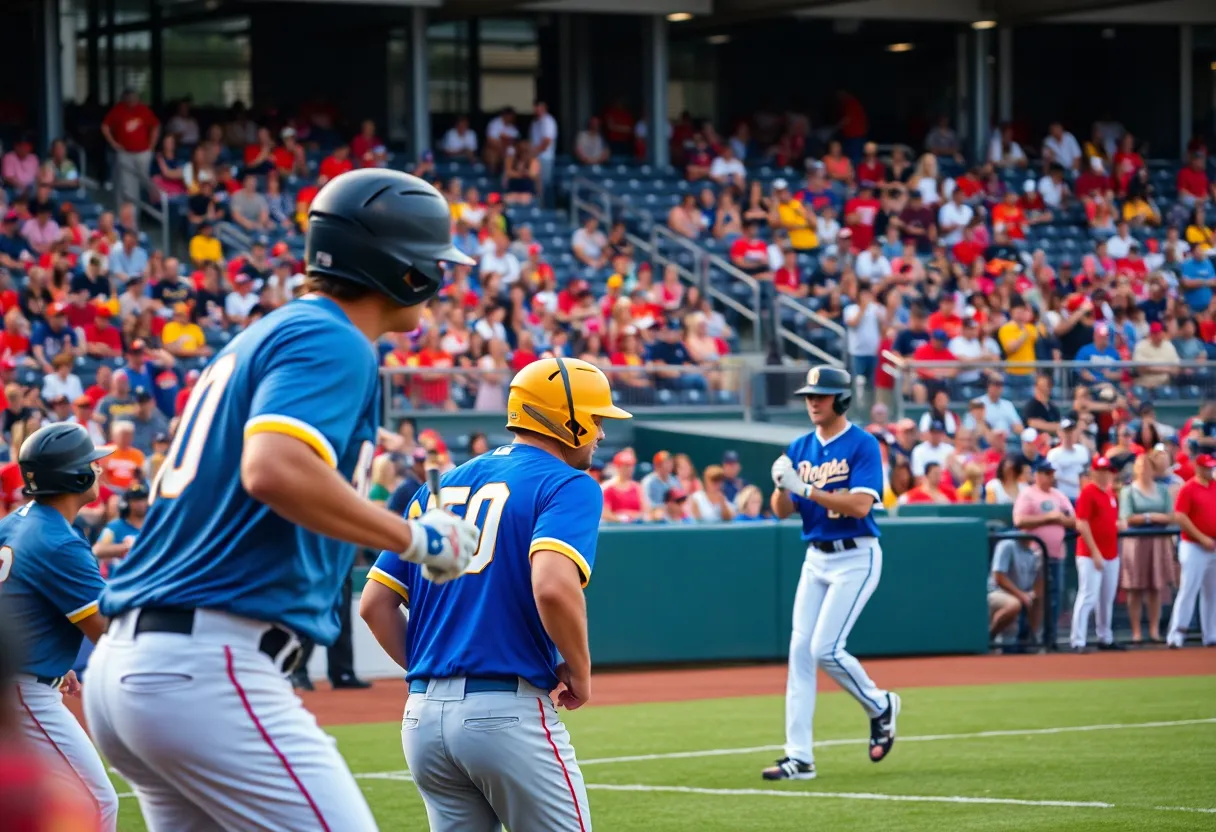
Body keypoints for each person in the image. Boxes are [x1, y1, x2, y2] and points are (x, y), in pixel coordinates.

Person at [82, 169, 483, 831]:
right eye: (435, 261)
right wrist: (413, 539)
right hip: (208, 662)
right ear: (404, 268)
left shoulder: (271, 334)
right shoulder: (333, 337)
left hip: (142, 662)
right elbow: (273, 468)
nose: (441, 276)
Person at [359, 356, 631, 831]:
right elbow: (551, 585)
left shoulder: (438, 487)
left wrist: (440, 674)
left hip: (422, 716)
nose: (601, 434)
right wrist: (581, 671)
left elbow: (375, 605)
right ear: (565, 419)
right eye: (595, 419)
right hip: (507, 711)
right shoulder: (569, 484)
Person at [764, 366, 898, 781]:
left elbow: (860, 505)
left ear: (841, 399)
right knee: (800, 655)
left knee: (825, 649)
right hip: (816, 557)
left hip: (856, 555)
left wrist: (802, 487)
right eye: (808, 395)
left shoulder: (862, 444)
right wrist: (781, 485)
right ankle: (799, 758)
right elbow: (783, 510)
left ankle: (881, 705)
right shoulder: (801, 445)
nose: (812, 401)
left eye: (821, 395)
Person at [1, 423, 118, 830]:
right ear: (76, 476)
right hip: (21, 692)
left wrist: (50, 652)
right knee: (95, 802)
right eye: (92, 462)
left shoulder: (16, 522)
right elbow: (108, 633)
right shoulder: (59, 541)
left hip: (16, 681)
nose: (99, 468)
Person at [1069, 456, 1125, 652]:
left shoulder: (1110, 494)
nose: (1104, 474)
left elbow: (1109, 521)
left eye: (1107, 471)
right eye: (1100, 471)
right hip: (1089, 554)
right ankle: (1078, 640)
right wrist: (1095, 552)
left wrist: (1119, 524)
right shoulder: (1088, 493)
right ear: (1093, 472)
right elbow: (1081, 523)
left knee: (1106, 598)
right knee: (1088, 596)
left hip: (1111, 553)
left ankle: (1105, 637)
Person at [1166, 452, 1216, 648]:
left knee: (1212, 592)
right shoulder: (1188, 488)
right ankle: (1176, 635)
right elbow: (1180, 516)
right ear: (1198, 467)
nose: (1210, 470)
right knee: (1188, 590)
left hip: (1212, 544)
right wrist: (1201, 537)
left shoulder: (1214, 486)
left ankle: (1210, 634)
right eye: (1206, 467)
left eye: (1211, 467)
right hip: (1193, 545)